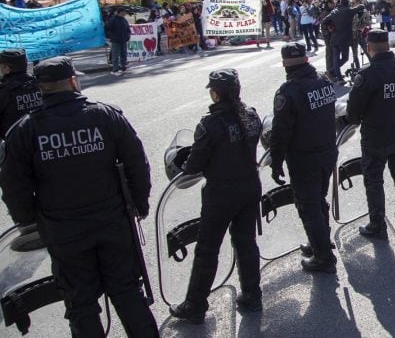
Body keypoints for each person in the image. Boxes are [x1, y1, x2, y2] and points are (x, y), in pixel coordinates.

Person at [0, 56, 158, 337]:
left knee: (81, 304)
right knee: (127, 293)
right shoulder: (105, 115)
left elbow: (14, 186)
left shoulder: (26, 130)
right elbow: (137, 163)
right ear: (73, 80)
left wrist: (29, 223)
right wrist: (139, 204)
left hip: (63, 231)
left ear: (41, 88)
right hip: (112, 222)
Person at [169, 69, 264, 323]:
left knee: (207, 250)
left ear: (216, 94)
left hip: (221, 193)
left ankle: (195, 305)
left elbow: (193, 166)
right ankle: (252, 295)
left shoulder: (209, 124)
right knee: (246, 242)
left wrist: (183, 159)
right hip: (249, 187)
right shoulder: (251, 115)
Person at [270, 43, 338, 272]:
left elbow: (280, 133)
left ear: (285, 64)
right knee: (319, 199)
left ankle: (323, 257)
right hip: (327, 151)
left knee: (308, 206)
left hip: (304, 158)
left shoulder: (288, 91)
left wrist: (276, 162)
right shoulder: (323, 80)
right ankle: (321, 241)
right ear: (306, 60)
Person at [346, 29, 395, 238]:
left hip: (375, 137)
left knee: (373, 179)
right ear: (388, 46)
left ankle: (377, 225)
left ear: (369, 49)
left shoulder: (367, 75)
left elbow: (353, 113)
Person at [0, 49, 42, 138]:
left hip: (16, 143)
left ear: (7, 69)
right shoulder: (40, 84)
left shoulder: (4, 90)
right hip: (44, 138)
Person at [322, 0, 357, 83]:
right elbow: (323, 23)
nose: (333, 5)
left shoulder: (333, 11)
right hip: (338, 39)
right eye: (332, 3)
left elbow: (324, 21)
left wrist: (331, 27)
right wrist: (329, 29)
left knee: (335, 59)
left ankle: (335, 73)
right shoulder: (330, 12)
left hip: (334, 38)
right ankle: (332, 72)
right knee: (341, 58)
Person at [107, 7, 130, 75]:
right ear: (120, 12)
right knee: (115, 55)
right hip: (116, 40)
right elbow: (108, 29)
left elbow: (128, 29)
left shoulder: (124, 19)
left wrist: (128, 36)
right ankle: (115, 70)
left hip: (124, 39)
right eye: (124, 12)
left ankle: (123, 67)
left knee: (124, 54)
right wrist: (111, 37)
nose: (125, 13)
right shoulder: (113, 19)